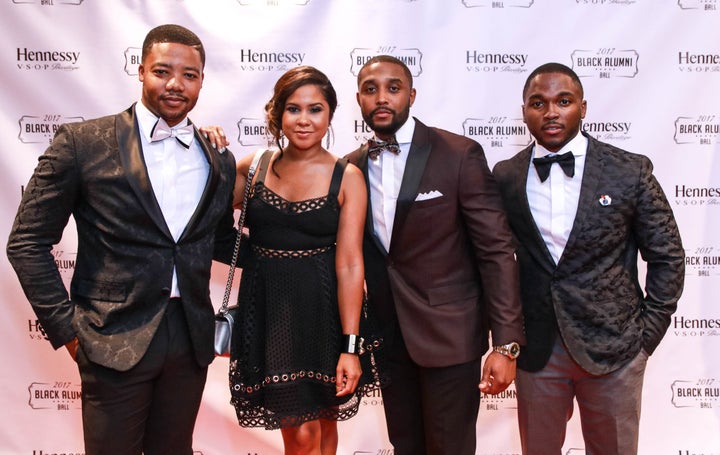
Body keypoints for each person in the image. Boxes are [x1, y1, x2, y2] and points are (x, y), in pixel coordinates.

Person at [6, 24, 237, 455]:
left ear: (202, 80)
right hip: (110, 336)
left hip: (189, 336)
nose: (175, 84)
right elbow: (26, 241)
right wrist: (69, 330)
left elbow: (218, 240)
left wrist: (302, 239)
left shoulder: (215, 155)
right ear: (141, 70)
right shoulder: (82, 143)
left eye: (190, 75)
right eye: (163, 71)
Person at [492, 62, 685, 455]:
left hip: (615, 348)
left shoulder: (629, 170)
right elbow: (496, 261)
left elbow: (667, 255)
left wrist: (645, 336)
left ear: (583, 106)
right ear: (524, 111)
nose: (550, 112)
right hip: (538, 349)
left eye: (563, 101)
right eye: (538, 103)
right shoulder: (506, 176)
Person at [345, 55, 525, 455]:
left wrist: (506, 343)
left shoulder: (458, 154)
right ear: (359, 98)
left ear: (411, 94)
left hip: (450, 335)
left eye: (393, 88)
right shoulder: (351, 167)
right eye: (371, 90)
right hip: (390, 337)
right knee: (405, 445)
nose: (382, 98)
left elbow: (496, 251)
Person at [229, 66, 378, 455]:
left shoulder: (347, 177)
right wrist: (260, 259)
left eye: (315, 109)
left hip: (323, 317)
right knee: (302, 435)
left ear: (330, 114)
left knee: (325, 426)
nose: (304, 120)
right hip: (269, 316)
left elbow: (349, 265)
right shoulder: (253, 167)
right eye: (293, 109)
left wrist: (350, 346)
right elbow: (201, 226)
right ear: (277, 114)